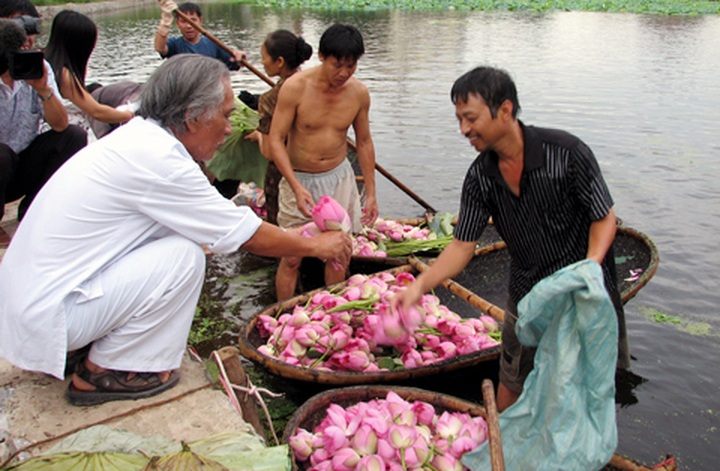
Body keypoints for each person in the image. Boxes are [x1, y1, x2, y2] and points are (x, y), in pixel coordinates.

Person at [0, 54, 353, 406]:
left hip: (35, 305)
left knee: (182, 239)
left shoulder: (139, 138)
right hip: (49, 314)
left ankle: (91, 348)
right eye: (226, 115)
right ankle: (108, 370)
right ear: (192, 116)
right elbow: (242, 234)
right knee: (184, 256)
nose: (230, 128)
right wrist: (317, 246)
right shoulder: (161, 160)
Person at [391, 66, 630, 412]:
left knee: (590, 387)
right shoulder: (479, 178)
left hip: (585, 294)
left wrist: (589, 267)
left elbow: (604, 217)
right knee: (513, 380)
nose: (463, 129)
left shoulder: (566, 153)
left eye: (470, 118)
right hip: (527, 294)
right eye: (458, 119)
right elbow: (461, 245)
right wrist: (419, 286)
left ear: (504, 110)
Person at [268, 23, 379, 301]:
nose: (343, 73)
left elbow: (364, 142)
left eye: (351, 66)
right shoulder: (295, 88)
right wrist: (294, 185)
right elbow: (275, 140)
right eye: (337, 65)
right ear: (321, 56)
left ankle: (330, 314)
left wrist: (372, 194)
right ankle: (283, 313)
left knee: (339, 253)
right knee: (292, 256)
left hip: (339, 179)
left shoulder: (358, 93)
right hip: (300, 179)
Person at [0, 14, 87, 222]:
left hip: (22, 163)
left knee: (73, 136)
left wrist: (43, 90)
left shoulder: (38, 69)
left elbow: (60, 124)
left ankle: (33, 209)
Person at [250, 29, 313, 225]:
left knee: (284, 230)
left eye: (264, 58)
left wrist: (258, 136)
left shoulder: (270, 99)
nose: (262, 63)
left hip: (283, 173)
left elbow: (270, 152)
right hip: (315, 168)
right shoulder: (315, 85)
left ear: (279, 62)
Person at [43, 10, 134, 137]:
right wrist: (129, 114)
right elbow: (96, 111)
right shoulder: (63, 74)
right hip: (60, 139)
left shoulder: (44, 61)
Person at [154, 0, 245, 71]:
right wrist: (165, 22)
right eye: (183, 21)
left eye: (193, 20)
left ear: (200, 21)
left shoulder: (213, 44)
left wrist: (240, 57)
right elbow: (160, 48)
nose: (189, 26)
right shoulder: (175, 44)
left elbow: (236, 63)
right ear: (177, 23)